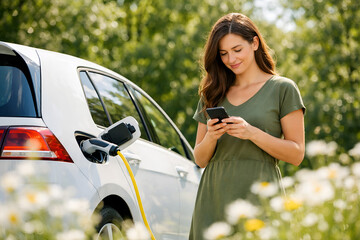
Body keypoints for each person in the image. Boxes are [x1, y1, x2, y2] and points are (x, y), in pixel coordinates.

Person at [189, 13, 305, 239]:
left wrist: (251, 133)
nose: (231, 59)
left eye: (237, 50)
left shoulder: (282, 89)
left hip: (260, 196)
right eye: (223, 54)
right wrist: (211, 136)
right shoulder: (213, 93)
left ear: (254, 43)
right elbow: (200, 159)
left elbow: (297, 154)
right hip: (213, 198)